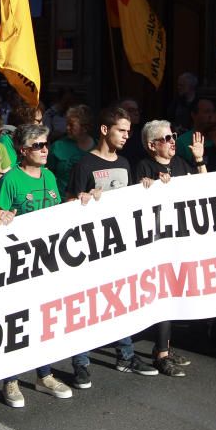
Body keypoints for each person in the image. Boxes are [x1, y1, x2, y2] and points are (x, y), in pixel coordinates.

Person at [66, 106, 159, 385]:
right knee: (85, 304)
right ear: (105, 130)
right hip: (90, 247)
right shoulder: (85, 164)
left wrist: (144, 187)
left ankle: (126, 354)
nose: (126, 136)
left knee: (121, 300)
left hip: (119, 245)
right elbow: (68, 203)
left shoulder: (125, 163)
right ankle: (80, 362)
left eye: (129, 132)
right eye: (121, 130)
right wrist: (82, 198)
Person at [0, 123, 72, 406]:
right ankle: (10, 380)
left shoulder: (49, 175)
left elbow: (59, 213)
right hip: (19, 264)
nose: (45, 149)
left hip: (49, 261)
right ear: (23, 150)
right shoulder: (11, 179)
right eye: (38, 146)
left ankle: (44, 374)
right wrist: (3, 218)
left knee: (45, 320)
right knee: (18, 322)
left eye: (46, 144)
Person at [133, 119, 207, 377]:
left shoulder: (181, 164)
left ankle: (164, 346)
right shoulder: (144, 166)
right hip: (157, 243)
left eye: (173, 136)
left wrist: (199, 160)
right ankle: (161, 355)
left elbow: (204, 187)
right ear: (152, 145)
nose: (173, 141)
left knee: (173, 294)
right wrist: (148, 185)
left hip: (180, 239)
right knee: (163, 295)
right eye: (166, 138)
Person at [47, 104, 95, 199]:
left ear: (85, 128)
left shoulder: (97, 148)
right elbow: (47, 173)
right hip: (61, 200)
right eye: (67, 124)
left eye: (71, 125)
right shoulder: (58, 146)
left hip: (88, 202)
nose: (67, 128)